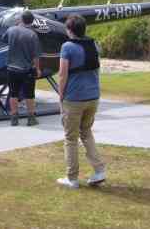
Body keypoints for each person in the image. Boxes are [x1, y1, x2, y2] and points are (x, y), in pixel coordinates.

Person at [56, 14, 106, 189]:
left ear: (69, 30)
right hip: (93, 97)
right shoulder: (93, 44)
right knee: (86, 132)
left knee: (70, 138)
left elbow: (62, 75)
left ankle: (72, 178)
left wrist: (60, 96)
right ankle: (99, 170)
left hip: (74, 99)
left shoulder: (67, 47)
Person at [1, 10, 42, 126]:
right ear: (32, 21)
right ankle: (31, 118)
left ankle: (14, 118)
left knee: (13, 93)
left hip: (12, 68)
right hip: (27, 70)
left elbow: (3, 39)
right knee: (29, 94)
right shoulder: (32, 35)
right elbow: (36, 56)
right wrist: (38, 69)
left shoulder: (11, 30)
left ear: (20, 19)